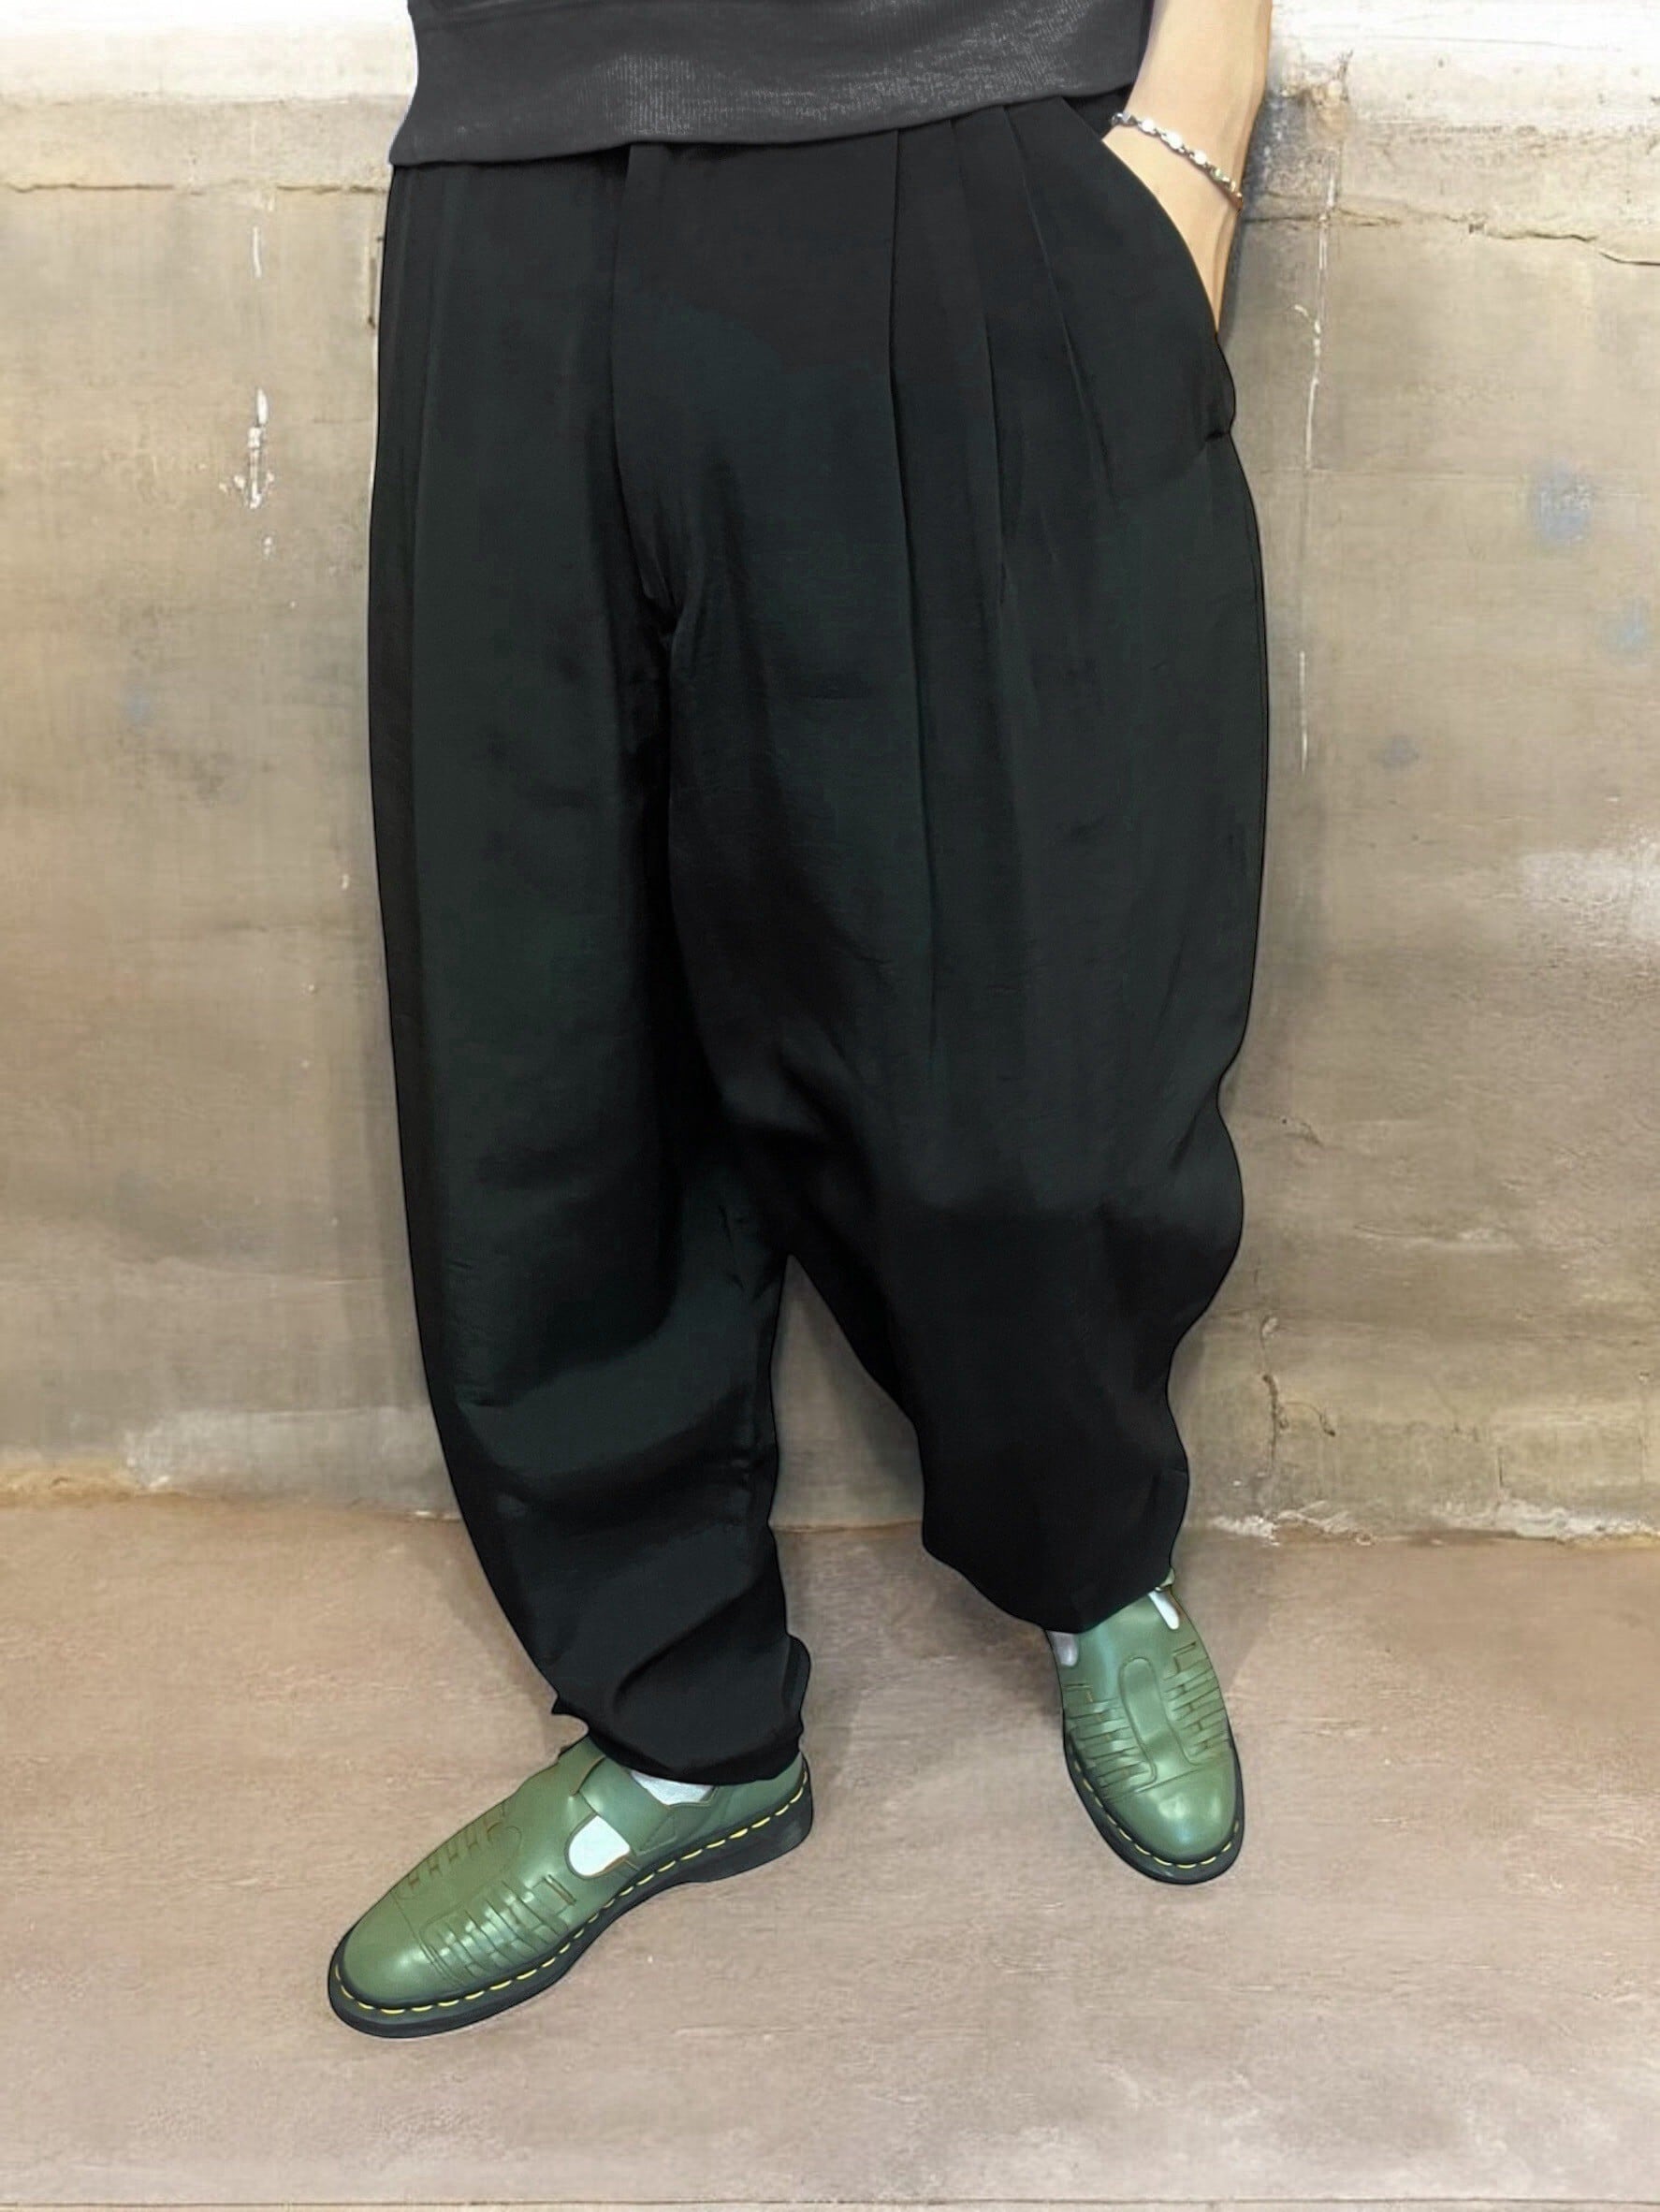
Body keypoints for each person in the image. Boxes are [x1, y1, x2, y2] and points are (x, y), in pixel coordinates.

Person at [329, 0, 1274, 2036]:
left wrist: (1190, 139)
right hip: (511, 180)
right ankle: (679, 1726)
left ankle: (1091, 1552)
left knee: (1032, 1061)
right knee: (540, 1037)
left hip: (958, 132)